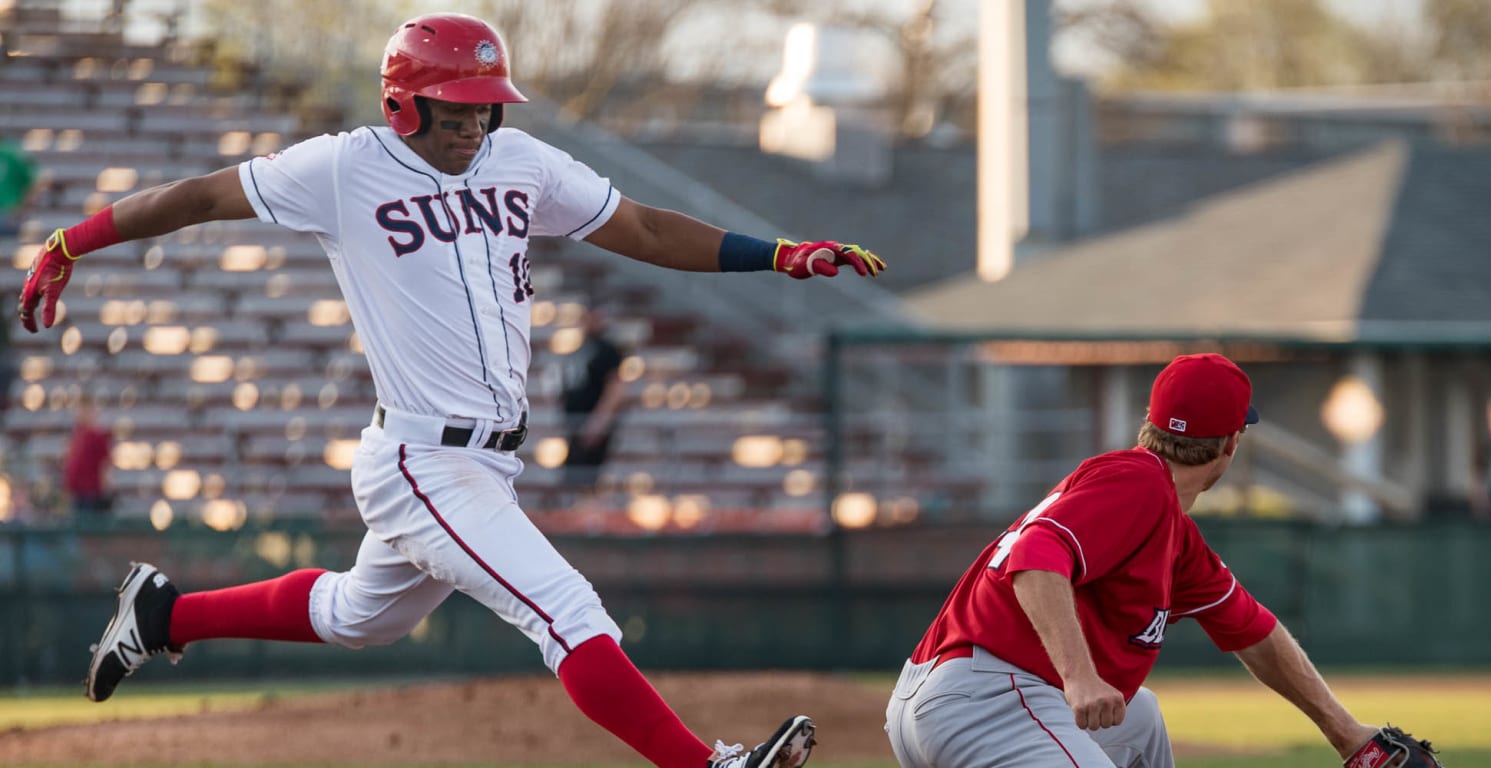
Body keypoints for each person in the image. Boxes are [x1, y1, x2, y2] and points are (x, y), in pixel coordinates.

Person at [17, 13, 886, 768]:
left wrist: (774, 253)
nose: (476, 122)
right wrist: (71, 243)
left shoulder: (520, 161)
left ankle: (165, 615)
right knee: (570, 614)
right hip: (423, 460)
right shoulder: (343, 169)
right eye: (458, 107)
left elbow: (649, 229)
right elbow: (201, 196)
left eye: (486, 104)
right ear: (405, 102)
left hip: (485, 461)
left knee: (363, 617)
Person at [885, 354, 1443, 768]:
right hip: (990, 698)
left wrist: (1348, 736)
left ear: (1150, 422)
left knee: (1140, 717)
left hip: (961, 699)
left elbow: (1255, 633)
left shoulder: (1171, 530)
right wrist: (1079, 678)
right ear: (1230, 444)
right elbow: (1034, 559)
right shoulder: (1139, 483)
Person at [559, 304, 626, 493]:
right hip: (576, 424)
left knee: (588, 476)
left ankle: (589, 516)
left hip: (592, 423)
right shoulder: (580, 347)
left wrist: (599, 421)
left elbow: (616, 388)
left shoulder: (607, 350)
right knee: (572, 476)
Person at [63, 400, 114, 517]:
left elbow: (105, 465)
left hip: (91, 494)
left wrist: (105, 491)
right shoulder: (77, 435)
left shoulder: (98, 436)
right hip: (77, 493)